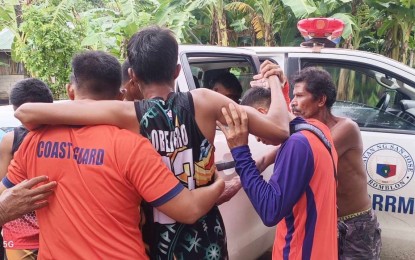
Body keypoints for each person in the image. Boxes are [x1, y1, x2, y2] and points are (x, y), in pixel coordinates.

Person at [13, 26, 290, 259]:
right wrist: (275, 81)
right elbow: (279, 129)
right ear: (176, 70)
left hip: (153, 242)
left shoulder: (124, 113)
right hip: (206, 238)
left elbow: (27, 112)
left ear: (132, 75)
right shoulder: (206, 101)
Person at [0, 50, 225, 259]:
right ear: (120, 96)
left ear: (70, 91)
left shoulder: (33, 141)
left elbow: (4, 195)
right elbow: (188, 210)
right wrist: (219, 184)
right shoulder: (131, 146)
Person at [217, 83, 338, 258]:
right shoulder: (317, 129)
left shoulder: (298, 144)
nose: (257, 139)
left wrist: (240, 151)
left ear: (262, 114)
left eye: (252, 130)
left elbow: (270, 210)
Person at [289, 67, 381, 259]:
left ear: (321, 100)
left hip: (355, 225)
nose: (293, 102)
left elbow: (314, 148)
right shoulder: (306, 133)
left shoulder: (346, 128)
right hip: (327, 224)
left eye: (299, 96)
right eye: (292, 96)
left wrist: (263, 161)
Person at [0, 78, 54, 260]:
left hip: (54, 232)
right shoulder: (12, 139)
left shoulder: (61, 135)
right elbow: (3, 190)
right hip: (20, 235)